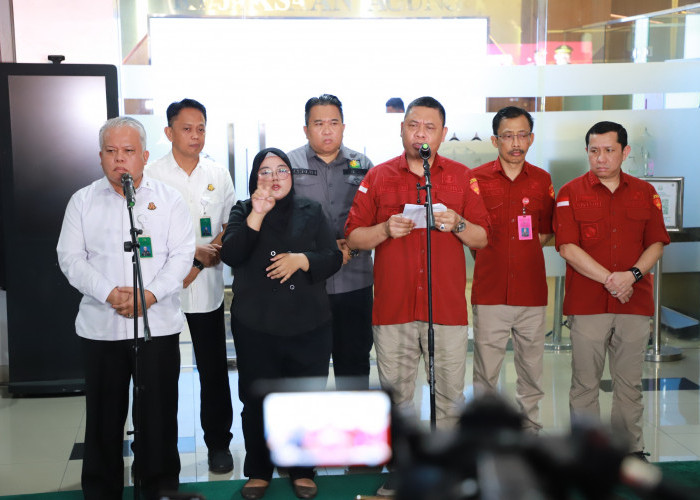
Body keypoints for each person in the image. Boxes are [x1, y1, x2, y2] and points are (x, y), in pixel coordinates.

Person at [57, 117, 195, 499]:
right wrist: (108, 292)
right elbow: (69, 258)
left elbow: (182, 256)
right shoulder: (82, 201)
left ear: (145, 156)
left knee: (158, 419)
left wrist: (148, 295)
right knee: (103, 420)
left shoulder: (168, 200)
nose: (120, 160)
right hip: (101, 329)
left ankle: (159, 489)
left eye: (129, 152)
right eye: (112, 152)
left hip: (158, 327)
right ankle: (101, 491)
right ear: (100, 157)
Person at [346, 96, 490, 428]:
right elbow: (353, 237)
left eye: (429, 127)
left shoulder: (461, 177)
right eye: (413, 126)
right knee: (397, 402)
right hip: (394, 309)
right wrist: (384, 229)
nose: (420, 134)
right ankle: (403, 474)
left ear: (443, 134)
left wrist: (458, 224)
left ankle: (447, 475)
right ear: (401, 130)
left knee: (451, 399)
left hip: (446, 310)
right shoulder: (379, 177)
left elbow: (483, 238)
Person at [221, 148, 342, 500]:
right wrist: (257, 215)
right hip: (256, 325)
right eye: (265, 172)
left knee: (305, 399)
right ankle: (258, 470)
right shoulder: (243, 210)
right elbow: (232, 254)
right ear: (254, 178)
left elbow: (332, 257)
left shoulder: (311, 210)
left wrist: (302, 260)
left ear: (292, 177)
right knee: (256, 399)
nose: (274, 178)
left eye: (282, 171)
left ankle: (302, 469)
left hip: (309, 324)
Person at [553, 121, 670, 461]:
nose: (600, 158)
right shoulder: (570, 192)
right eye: (593, 151)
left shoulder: (644, 193)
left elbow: (657, 243)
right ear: (586, 152)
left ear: (625, 152)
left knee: (629, 383)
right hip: (588, 304)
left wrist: (631, 276)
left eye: (608, 150)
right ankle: (587, 452)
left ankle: (629, 450)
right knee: (585, 384)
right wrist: (612, 279)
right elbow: (567, 248)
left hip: (634, 303)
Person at [146, 98, 236, 473]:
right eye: (187, 128)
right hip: (160, 293)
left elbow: (231, 224)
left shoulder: (218, 172)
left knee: (213, 371)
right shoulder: (150, 175)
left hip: (208, 291)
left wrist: (206, 255)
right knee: (160, 374)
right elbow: (147, 236)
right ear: (169, 132)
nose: (195, 135)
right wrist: (189, 259)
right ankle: (161, 450)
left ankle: (219, 444)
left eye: (201, 128)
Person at [470, 106, 555, 433]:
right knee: (486, 373)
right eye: (508, 136)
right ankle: (484, 437)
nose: (515, 142)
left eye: (522, 135)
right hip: (490, 292)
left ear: (531, 138)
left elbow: (546, 231)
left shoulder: (542, 180)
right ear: (495, 140)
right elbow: (471, 233)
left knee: (532, 372)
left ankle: (530, 432)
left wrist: (520, 252)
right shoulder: (475, 179)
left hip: (532, 293)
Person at [287, 94, 374, 390]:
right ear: (306, 128)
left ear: (343, 126)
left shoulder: (363, 165)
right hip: (307, 285)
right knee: (308, 372)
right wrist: (324, 252)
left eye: (333, 123)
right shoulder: (289, 165)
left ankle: (356, 435)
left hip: (355, 282)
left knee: (355, 369)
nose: (327, 130)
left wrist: (354, 245)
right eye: (319, 123)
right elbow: (281, 222)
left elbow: (375, 218)